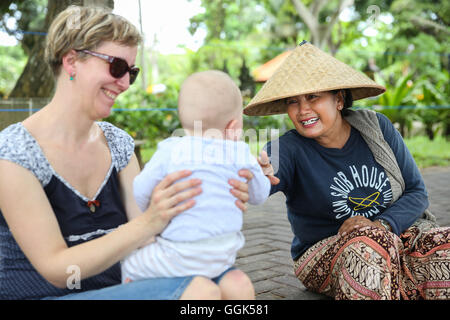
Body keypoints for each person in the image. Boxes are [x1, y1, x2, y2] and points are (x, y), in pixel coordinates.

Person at [0, 6, 254, 300]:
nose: (123, 84)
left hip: (120, 287)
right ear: (71, 61)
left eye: (130, 73)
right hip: (43, 294)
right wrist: (149, 222)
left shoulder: (117, 144)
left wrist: (214, 194)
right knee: (199, 293)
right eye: (116, 67)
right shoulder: (14, 153)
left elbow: (148, 236)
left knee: (236, 286)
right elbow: (57, 268)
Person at [244, 41, 450, 300]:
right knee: (367, 247)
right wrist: (257, 176)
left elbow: (417, 193)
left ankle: (399, 282)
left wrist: (381, 225)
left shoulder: (377, 128)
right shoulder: (286, 148)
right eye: (292, 101)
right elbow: (264, 179)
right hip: (327, 253)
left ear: (339, 99)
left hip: (397, 235)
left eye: (313, 96)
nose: (303, 109)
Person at [121, 70, 270, 299]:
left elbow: (139, 189)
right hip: (223, 256)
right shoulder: (240, 152)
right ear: (234, 127)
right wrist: (257, 177)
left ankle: (134, 285)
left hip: (177, 255)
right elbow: (260, 195)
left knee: (128, 259)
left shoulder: (171, 149)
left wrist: (148, 215)